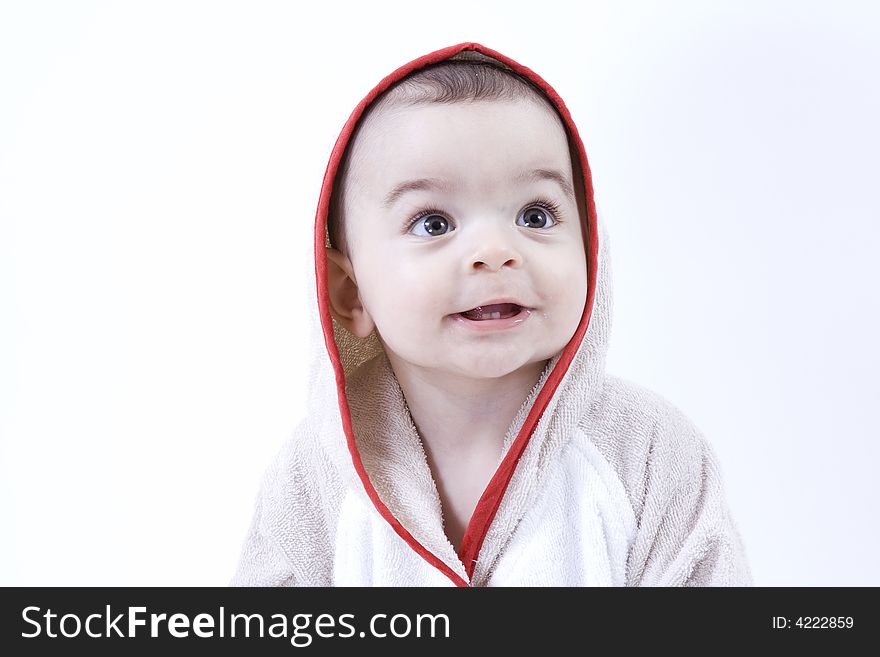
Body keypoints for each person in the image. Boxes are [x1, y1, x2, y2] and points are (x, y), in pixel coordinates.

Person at [230, 42, 753, 586]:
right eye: (433, 222)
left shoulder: (649, 454)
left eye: (536, 213)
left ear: (591, 249)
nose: (496, 248)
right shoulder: (314, 478)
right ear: (350, 294)